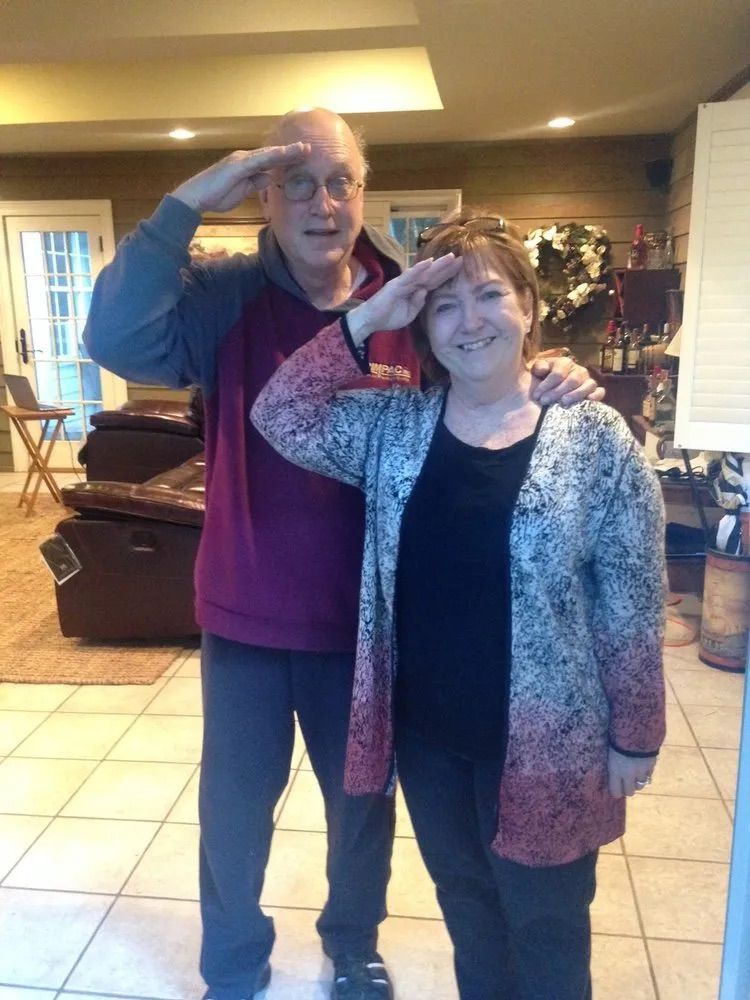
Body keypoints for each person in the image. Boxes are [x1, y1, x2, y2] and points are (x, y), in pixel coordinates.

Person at [83, 109, 603, 1000]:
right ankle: (233, 964)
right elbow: (115, 341)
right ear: (264, 196)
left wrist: (556, 378)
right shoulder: (223, 295)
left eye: (340, 181)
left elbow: (485, 373)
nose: (321, 204)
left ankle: (352, 945)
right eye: (295, 182)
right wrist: (183, 205)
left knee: (360, 807)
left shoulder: (409, 294)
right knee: (235, 811)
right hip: (246, 610)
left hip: (372, 622)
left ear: (364, 191)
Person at [251, 210, 667, 1000]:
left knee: (546, 929)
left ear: (529, 307)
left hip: (554, 745)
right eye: (445, 305)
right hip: (429, 738)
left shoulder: (594, 437)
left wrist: (636, 736)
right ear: (424, 325)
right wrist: (373, 315)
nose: (469, 322)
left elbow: (633, 602)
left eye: (488, 296)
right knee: (468, 912)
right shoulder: (391, 425)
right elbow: (281, 411)